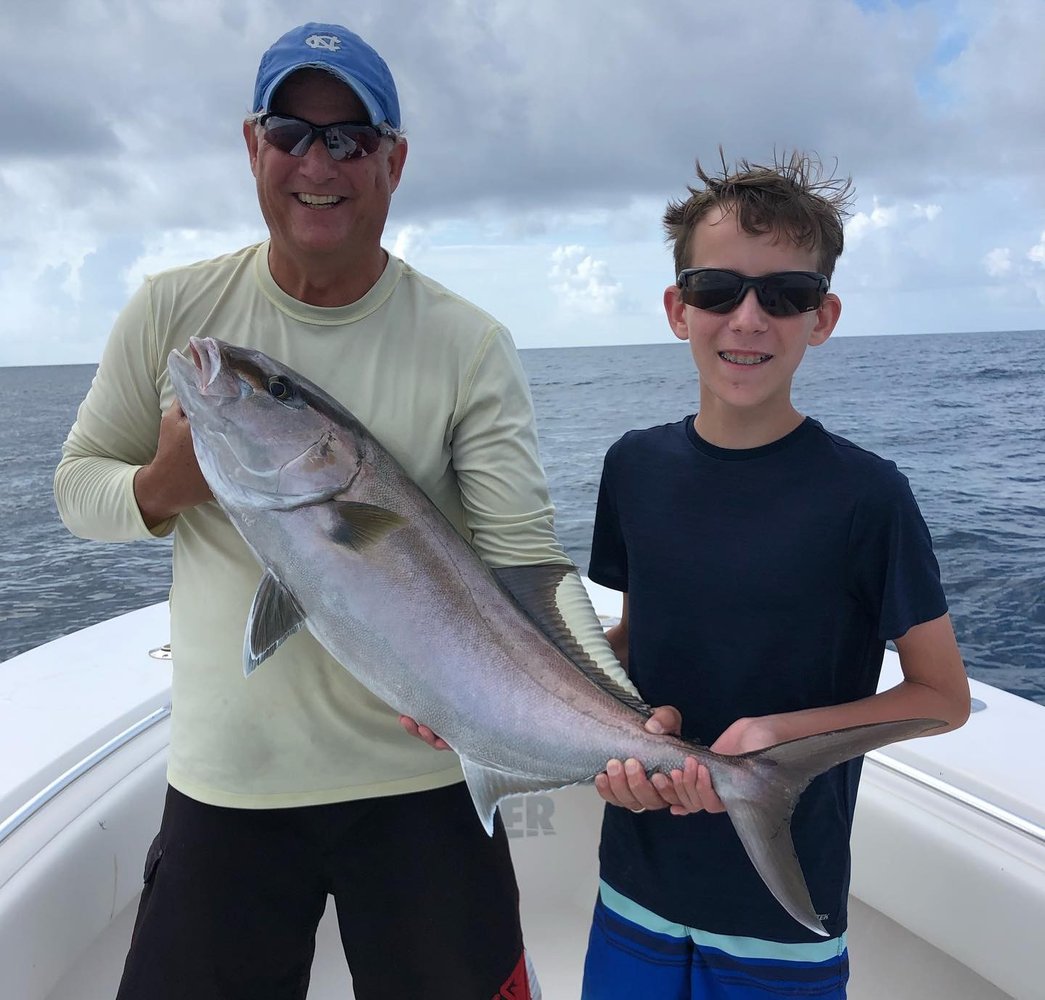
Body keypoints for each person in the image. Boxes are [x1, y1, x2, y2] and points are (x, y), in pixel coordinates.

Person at [55, 22, 659, 1000]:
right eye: (291, 132)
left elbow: (524, 562)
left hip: (426, 780)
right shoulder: (173, 312)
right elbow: (78, 487)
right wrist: (162, 487)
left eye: (349, 138)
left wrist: (622, 716)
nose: (316, 163)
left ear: (394, 160)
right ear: (252, 146)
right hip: (231, 782)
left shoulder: (468, 343)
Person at [580, 152, 971, 999]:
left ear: (821, 317)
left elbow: (942, 695)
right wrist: (577, 722)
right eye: (717, 290)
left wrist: (778, 737)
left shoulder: (866, 495)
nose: (747, 319)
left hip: (783, 910)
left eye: (784, 295)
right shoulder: (632, 467)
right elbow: (634, 636)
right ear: (677, 309)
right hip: (634, 882)